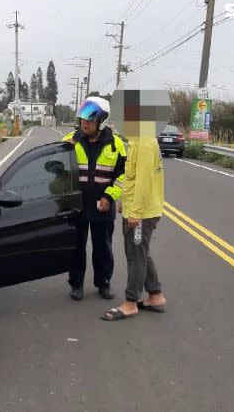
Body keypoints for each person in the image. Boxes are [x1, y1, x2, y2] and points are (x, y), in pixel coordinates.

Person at [61, 97, 126, 300]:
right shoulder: (70, 141)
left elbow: (123, 175)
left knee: (103, 247)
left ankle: (103, 282)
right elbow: (58, 171)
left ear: (102, 121)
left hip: (102, 206)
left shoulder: (116, 145)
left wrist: (109, 196)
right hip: (76, 205)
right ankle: (76, 284)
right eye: (83, 118)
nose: (84, 122)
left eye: (90, 118)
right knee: (76, 247)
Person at [101, 131, 166, 321]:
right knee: (140, 253)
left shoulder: (144, 142)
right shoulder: (137, 139)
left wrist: (135, 211)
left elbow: (145, 180)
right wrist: (125, 200)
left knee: (135, 256)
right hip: (137, 207)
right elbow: (133, 176)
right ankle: (155, 296)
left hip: (142, 213)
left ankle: (130, 303)